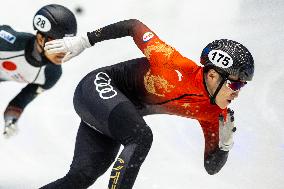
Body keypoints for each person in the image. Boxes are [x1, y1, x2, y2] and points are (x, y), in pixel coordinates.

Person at [41, 19, 254, 189]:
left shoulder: (214, 114)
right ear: (213, 76)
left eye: (242, 87)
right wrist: (84, 41)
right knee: (141, 136)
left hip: (111, 116)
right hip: (97, 87)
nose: (237, 93)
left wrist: (225, 147)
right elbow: (133, 26)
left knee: (81, 177)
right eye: (235, 85)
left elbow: (211, 167)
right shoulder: (170, 63)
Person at [0, 4, 77, 138]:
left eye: (68, 44)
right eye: (59, 44)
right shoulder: (8, 42)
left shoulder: (51, 75)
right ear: (41, 39)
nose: (64, 52)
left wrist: (10, 120)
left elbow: (21, 101)